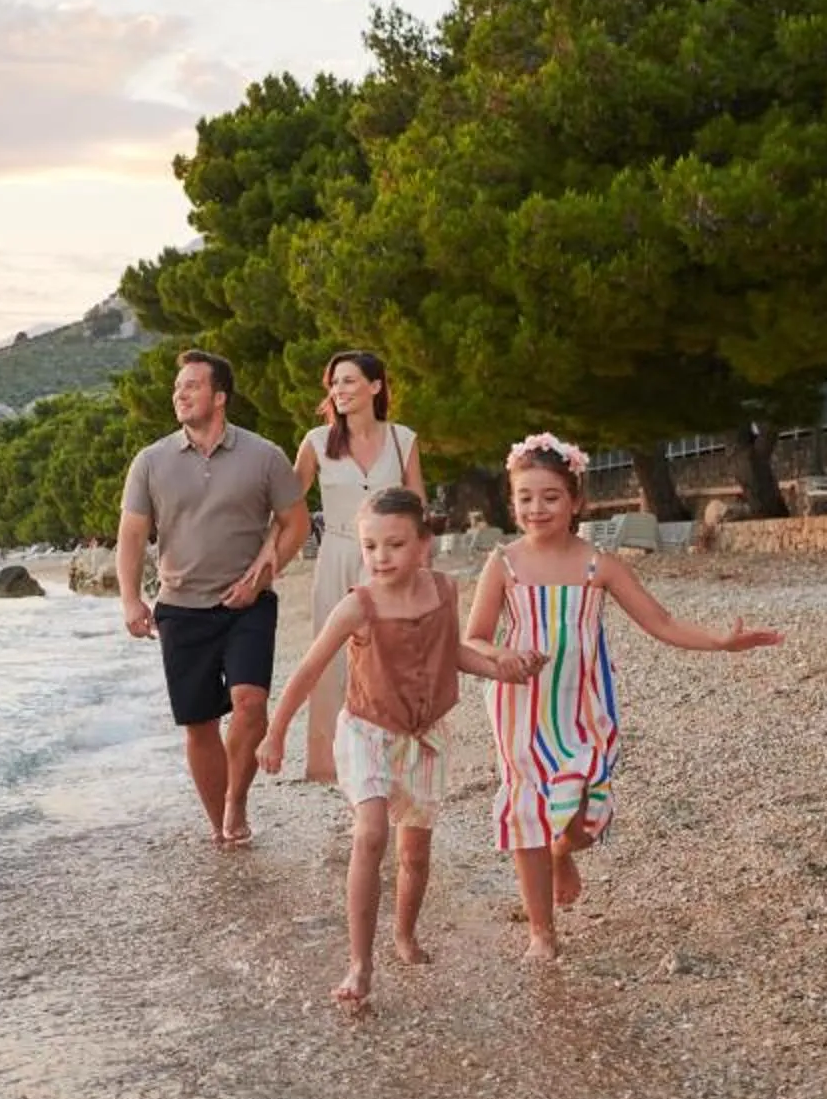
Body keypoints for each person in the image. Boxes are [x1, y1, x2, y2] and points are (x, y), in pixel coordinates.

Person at [467, 432, 783, 966]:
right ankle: (541, 934)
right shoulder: (504, 564)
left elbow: (660, 622)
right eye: (525, 497)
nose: (536, 508)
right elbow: (472, 637)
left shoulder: (600, 566)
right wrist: (504, 656)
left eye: (550, 496)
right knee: (527, 812)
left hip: (584, 707)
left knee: (584, 820)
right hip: (519, 707)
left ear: (575, 501)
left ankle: (565, 852)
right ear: (512, 500)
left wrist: (720, 642)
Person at [261, 487, 531, 1008]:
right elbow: (309, 670)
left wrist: (502, 669)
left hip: (425, 736)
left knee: (415, 851)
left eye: (395, 544)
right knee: (370, 834)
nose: (381, 557)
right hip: (367, 731)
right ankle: (359, 964)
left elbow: (451, 653)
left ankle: (404, 934)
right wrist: (276, 733)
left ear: (424, 545)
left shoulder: (444, 592)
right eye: (370, 546)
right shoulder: (357, 606)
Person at [118, 350, 311, 848]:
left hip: (246, 605)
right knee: (199, 723)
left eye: (192, 386)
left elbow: (296, 523)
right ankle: (219, 827)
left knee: (250, 703)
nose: (179, 394)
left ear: (219, 396)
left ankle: (236, 801)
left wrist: (263, 574)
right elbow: (133, 536)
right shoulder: (151, 461)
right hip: (180, 607)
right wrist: (131, 601)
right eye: (177, 387)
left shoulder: (264, 455)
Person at [287, 349, 425, 785]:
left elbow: (417, 507)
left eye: (348, 381)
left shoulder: (404, 438)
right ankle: (334, 765)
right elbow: (288, 505)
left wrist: (421, 570)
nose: (339, 390)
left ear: (375, 386)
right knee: (332, 663)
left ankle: (390, 755)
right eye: (334, 383)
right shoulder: (314, 443)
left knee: (390, 659)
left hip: (389, 560)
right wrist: (266, 557)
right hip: (338, 556)